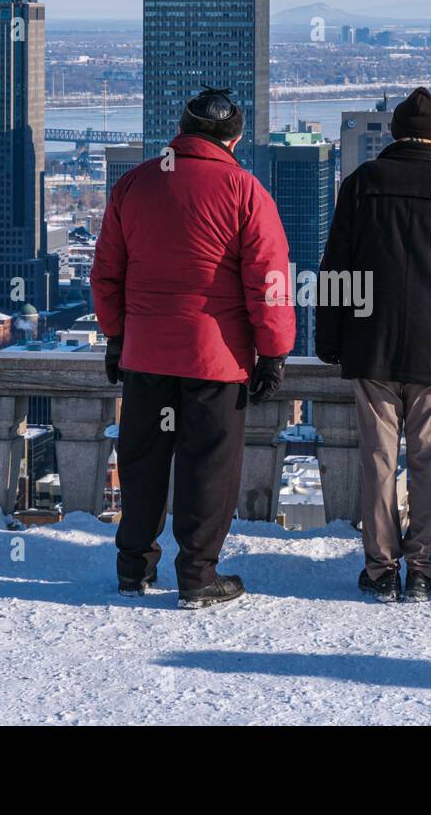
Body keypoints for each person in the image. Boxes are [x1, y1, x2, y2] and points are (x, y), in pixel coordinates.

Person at [91, 87, 294, 609]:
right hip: (215, 358)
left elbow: (106, 274)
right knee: (208, 466)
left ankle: (133, 568)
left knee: (142, 461)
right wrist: (273, 351)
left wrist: (117, 336)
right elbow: (269, 280)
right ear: (237, 136)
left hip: (145, 353)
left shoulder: (134, 185)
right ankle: (198, 575)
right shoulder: (244, 190)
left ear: (181, 129)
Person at [316, 87, 431, 602]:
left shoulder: (360, 185)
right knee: (427, 458)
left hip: (370, 343)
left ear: (393, 134)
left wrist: (331, 337)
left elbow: (335, 268)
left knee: (376, 457)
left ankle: (379, 569)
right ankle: (420, 565)